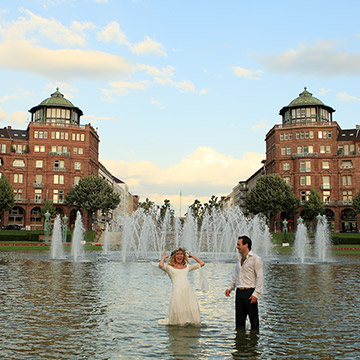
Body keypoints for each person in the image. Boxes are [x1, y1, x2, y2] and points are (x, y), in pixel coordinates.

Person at [158, 247, 205, 326]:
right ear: (174, 256)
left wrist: (192, 256)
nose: (180, 256)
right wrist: (163, 258)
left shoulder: (187, 267)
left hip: (188, 291)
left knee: (193, 311)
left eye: (182, 254)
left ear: (184, 257)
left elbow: (202, 263)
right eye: (178, 254)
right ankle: (180, 326)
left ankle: (192, 325)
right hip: (177, 292)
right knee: (179, 311)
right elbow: (161, 265)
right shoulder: (169, 267)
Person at [225, 235, 263, 330]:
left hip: (250, 293)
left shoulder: (256, 259)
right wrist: (230, 288)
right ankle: (239, 343)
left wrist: (256, 294)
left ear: (246, 245)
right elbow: (235, 276)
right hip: (239, 292)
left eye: (239, 245)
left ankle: (253, 343)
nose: (237, 247)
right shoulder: (239, 259)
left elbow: (260, 278)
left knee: (254, 322)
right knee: (239, 322)